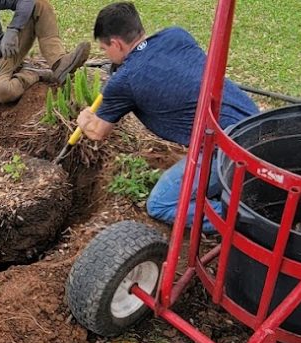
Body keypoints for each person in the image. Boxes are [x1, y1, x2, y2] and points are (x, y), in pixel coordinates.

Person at [77, 2, 259, 232]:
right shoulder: (176, 35)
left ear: (116, 43)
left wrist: (83, 119)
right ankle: (234, 190)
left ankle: (246, 218)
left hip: (228, 150)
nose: (106, 55)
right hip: (255, 126)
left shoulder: (125, 80)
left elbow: (98, 132)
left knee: (161, 204)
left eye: (104, 49)